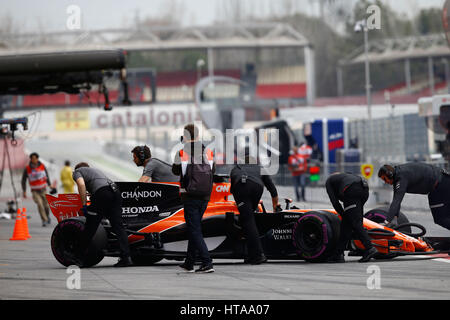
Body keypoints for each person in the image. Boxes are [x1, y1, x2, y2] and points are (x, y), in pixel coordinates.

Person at [172, 123, 215, 273]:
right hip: (205, 195)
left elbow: (175, 170)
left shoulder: (182, 152)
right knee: (194, 228)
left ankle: (207, 262)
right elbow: (212, 171)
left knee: (195, 229)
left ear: (185, 136)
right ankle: (189, 262)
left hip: (189, 196)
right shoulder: (208, 152)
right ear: (197, 135)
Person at [72, 162, 132, 267]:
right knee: (118, 226)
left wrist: (84, 205)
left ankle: (79, 259)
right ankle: (126, 258)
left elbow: (81, 185)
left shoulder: (77, 172)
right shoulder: (96, 171)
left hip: (102, 193)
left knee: (90, 227)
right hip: (116, 192)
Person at [230, 150, 280, 265]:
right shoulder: (260, 168)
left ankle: (258, 255)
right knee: (249, 219)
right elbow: (273, 190)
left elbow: (232, 190)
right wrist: (275, 208)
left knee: (247, 220)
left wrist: (241, 205)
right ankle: (250, 254)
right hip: (258, 187)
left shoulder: (236, 169)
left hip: (242, 186)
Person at [378, 163, 450, 231]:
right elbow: (396, 200)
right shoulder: (398, 176)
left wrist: (386, 222)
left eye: (385, 179)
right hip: (437, 186)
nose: (385, 182)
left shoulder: (401, 177)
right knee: (440, 218)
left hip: (441, 184)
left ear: (390, 174)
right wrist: (394, 218)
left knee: (441, 218)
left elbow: (397, 201)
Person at [325, 172, 377, 263]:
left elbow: (335, 202)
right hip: (365, 189)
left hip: (352, 190)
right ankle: (338, 254)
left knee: (355, 222)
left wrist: (342, 213)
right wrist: (346, 216)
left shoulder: (329, 181)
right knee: (347, 224)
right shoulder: (346, 175)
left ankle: (369, 248)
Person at [21, 152, 54, 227]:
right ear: (30, 159)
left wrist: (50, 185)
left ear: (37, 159)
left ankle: (47, 216)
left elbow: (46, 176)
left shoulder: (42, 166)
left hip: (43, 189)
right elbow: (23, 180)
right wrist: (24, 191)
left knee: (46, 206)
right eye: (32, 159)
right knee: (40, 204)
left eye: (35, 158)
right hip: (35, 191)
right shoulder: (27, 168)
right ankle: (44, 220)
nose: (34, 160)